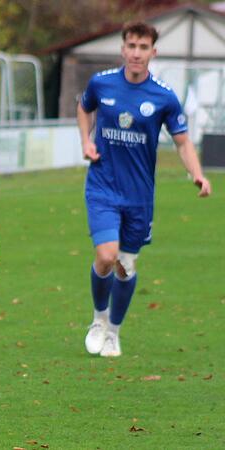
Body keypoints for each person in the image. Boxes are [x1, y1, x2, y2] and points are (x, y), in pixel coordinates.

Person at [77, 21, 211, 358]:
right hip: (103, 187)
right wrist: (86, 141)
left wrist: (197, 174)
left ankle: (114, 332)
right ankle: (98, 319)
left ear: (153, 52)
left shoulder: (164, 96)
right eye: (131, 46)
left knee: (126, 266)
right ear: (123, 49)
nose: (136, 53)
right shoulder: (101, 83)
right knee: (106, 255)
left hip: (138, 197)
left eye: (143, 47)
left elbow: (182, 142)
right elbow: (84, 107)